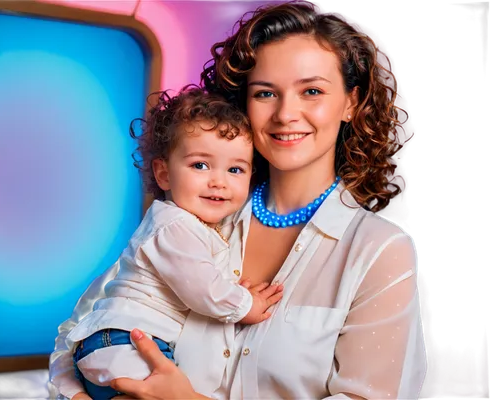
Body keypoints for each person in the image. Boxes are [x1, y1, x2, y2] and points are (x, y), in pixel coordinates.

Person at [49, 2, 427, 399]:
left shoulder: (380, 250)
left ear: (351, 102)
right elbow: (75, 333)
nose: (285, 114)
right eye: (266, 93)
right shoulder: (192, 214)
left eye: (311, 91)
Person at [51, 86, 284, 399]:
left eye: (235, 169)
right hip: (126, 341)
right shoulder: (172, 226)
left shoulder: (193, 224)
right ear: (163, 174)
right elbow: (204, 290)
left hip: (115, 343)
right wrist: (247, 305)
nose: (218, 180)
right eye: (200, 165)